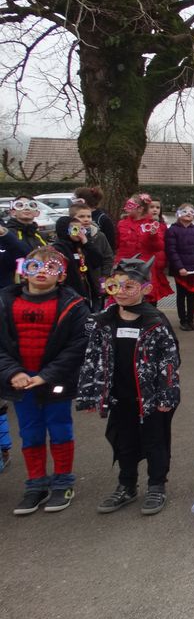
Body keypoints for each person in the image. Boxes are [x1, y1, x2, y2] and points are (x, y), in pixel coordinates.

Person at [77, 256, 181, 515]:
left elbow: (170, 360)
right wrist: (91, 392)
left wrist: (167, 395)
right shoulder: (104, 320)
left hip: (151, 396)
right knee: (124, 440)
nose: (120, 292)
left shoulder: (154, 321)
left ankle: (157, 485)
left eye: (128, 287)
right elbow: (92, 357)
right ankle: (126, 485)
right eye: (114, 286)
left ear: (145, 289)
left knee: (156, 440)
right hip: (119, 395)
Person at [0, 247, 89, 514]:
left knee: (60, 429)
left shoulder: (74, 305)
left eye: (51, 268)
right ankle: (35, 483)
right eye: (34, 267)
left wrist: (46, 375)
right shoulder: (5, 302)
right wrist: (13, 373)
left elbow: (78, 345)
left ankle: (63, 481)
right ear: (22, 271)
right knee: (30, 432)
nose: (42, 273)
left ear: (61, 275)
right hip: (20, 382)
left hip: (54, 381)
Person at [116, 193, 172, 304]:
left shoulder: (152, 224)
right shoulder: (121, 223)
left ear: (140, 209)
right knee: (124, 297)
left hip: (144, 268)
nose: (126, 208)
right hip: (124, 266)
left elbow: (159, 247)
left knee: (146, 298)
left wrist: (153, 235)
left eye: (130, 205)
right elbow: (117, 245)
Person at [165, 202, 194, 331]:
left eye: (191, 212)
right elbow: (171, 251)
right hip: (181, 270)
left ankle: (190, 320)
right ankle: (183, 320)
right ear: (178, 214)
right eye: (185, 211)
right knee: (181, 295)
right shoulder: (172, 230)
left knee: (191, 295)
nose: (188, 214)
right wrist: (179, 268)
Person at [52, 213, 104, 309]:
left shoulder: (81, 246)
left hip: (87, 289)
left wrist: (86, 242)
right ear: (65, 231)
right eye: (76, 229)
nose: (80, 233)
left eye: (82, 229)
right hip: (71, 292)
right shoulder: (58, 248)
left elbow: (97, 261)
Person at [146, 197, 174, 303]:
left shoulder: (162, 225)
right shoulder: (144, 225)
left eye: (157, 207)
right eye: (151, 207)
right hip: (147, 263)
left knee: (155, 292)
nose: (155, 210)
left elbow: (165, 243)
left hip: (158, 264)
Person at [74, 186, 118, 250]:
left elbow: (110, 245)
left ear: (82, 201)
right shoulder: (75, 217)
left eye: (76, 200)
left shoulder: (103, 219)